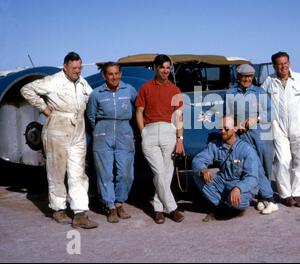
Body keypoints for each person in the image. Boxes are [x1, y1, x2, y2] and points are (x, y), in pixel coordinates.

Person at [20, 51, 98, 228]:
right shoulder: (53, 81)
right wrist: (44, 108)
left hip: (78, 128)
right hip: (57, 127)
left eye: (79, 68)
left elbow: (92, 98)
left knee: (78, 172)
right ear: (65, 66)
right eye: (74, 68)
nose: (77, 71)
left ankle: (80, 213)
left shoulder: (82, 82)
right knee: (57, 171)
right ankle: (58, 209)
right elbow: (26, 90)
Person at [135, 54, 185, 224]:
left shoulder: (175, 90)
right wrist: (143, 132)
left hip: (168, 132)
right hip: (149, 131)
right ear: (155, 68)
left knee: (166, 173)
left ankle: (158, 209)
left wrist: (180, 139)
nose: (165, 70)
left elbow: (178, 116)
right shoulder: (145, 88)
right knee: (158, 171)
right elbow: (139, 112)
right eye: (162, 67)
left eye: (168, 67)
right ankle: (172, 208)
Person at [86, 62, 137, 223]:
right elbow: (91, 116)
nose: (114, 77)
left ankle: (120, 202)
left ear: (120, 74)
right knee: (105, 173)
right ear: (104, 75)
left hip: (124, 132)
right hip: (103, 133)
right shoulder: (96, 94)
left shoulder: (129, 90)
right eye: (110, 74)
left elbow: (138, 109)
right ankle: (110, 206)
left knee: (126, 174)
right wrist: (100, 130)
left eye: (116, 73)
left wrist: (132, 131)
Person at [261, 52, 300, 208]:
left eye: (285, 63)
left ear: (289, 63)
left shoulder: (299, 78)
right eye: (279, 64)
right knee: (283, 161)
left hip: (299, 126)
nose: (282, 66)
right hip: (278, 127)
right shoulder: (269, 81)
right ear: (274, 66)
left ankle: (297, 194)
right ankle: (286, 195)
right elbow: (260, 99)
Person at [225, 64, 278, 214]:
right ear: (238, 77)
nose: (246, 79)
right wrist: (235, 125)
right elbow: (228, 115)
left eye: (249, 76)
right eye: (243, 76)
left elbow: (271, 112)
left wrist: (257, 118)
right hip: (243, 136)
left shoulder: (260, 92)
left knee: (266, 165)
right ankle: (263, 197)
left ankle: (264, 197)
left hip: (262, 135)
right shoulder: (230, 93)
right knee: (253, 166)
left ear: (253, 77)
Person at [192, 115, 259, 221]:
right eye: (220, 128)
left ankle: (235, 207)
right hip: (223, 181)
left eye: (226, 129)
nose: (222, 131)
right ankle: (222, 205)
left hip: (239, 185)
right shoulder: (215, 145)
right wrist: (203, 169)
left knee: (238, 201)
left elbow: (252, 177)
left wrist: (239, 188)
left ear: (235, 129)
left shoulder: (247, 149)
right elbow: (197, 160)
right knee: (197, 175)